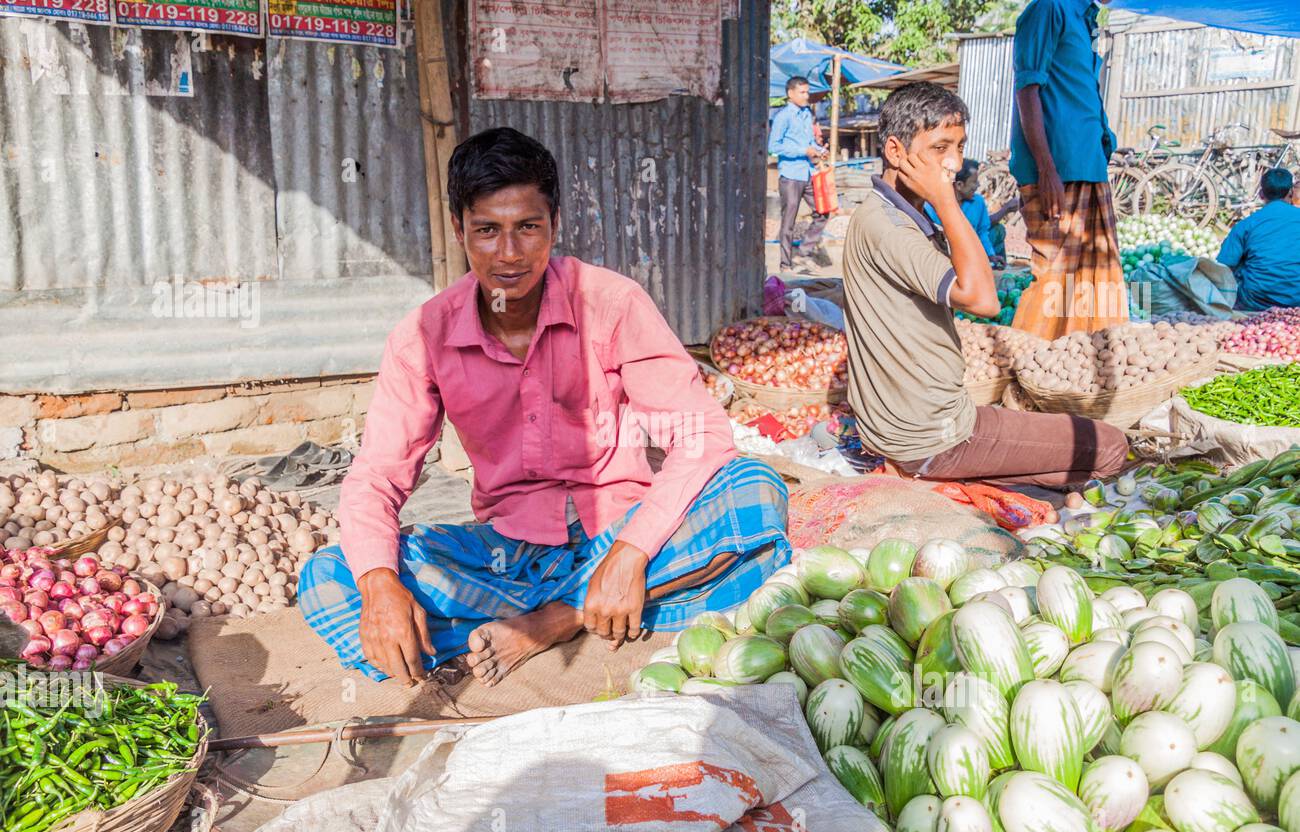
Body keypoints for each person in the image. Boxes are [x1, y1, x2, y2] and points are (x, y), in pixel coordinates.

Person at [299, 128, 791, 687]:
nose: (509, 254)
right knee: (332, 575)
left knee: (754, 491)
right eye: (487, 230)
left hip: (620, 531)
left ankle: (561, 620)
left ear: (554, 226)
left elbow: (701, 435)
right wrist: (382, 585)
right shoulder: (423, 336)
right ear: (460, 230)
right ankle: (599, 607)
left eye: (528, 228)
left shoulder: (610, 303)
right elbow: (375, 478)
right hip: (506, 558)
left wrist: (631, 551)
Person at [840, 82, 1128, 488]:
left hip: (916, 425)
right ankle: (941, 478)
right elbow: (983, 300)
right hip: (933, 435)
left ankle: (973, 482)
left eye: (959, 146)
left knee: (1056, 459)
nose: (954, 163)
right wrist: (945, 201)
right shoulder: (889, 227)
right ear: (895, 152)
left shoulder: (888, 214)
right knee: (1111, 446)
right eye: (940, 148)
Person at [1009, 0, 1128, 338]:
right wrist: (1047, 170)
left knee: (1095, 280)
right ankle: (1029, 361)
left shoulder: (1085, 18)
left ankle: (1081, 364)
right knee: (1053, 279)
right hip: (1058, 172)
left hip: (1089, 167)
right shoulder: (1049, 8)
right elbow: (1027, 90)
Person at [769, 76, 832, 272]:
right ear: (791, 94)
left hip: (808, 173)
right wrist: (803, 151)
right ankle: (785, 264)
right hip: (790, 175)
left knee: (823, 212)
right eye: (803, 92)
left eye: (807, 92)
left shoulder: (806, 114)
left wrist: (820, 150)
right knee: (789, 220)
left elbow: (810, 142)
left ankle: (804, 253)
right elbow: (773, 146)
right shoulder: (782, 117)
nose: (807, 96)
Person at [1216, 168, 1300, 312]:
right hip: (1296, 300)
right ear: (1291, 193)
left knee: (1239, 261)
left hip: (1255, 301)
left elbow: (1224, 266)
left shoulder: (1246, 224)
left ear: (1261, 194)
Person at [924, 159, 1003, 268]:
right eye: (974, 182)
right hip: (943, 258)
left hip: (970, 257)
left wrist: (991, 255)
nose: (978, 185)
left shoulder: (978, 202)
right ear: (959, 185)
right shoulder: (933, 205)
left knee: (999, 229)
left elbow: (982, 232)